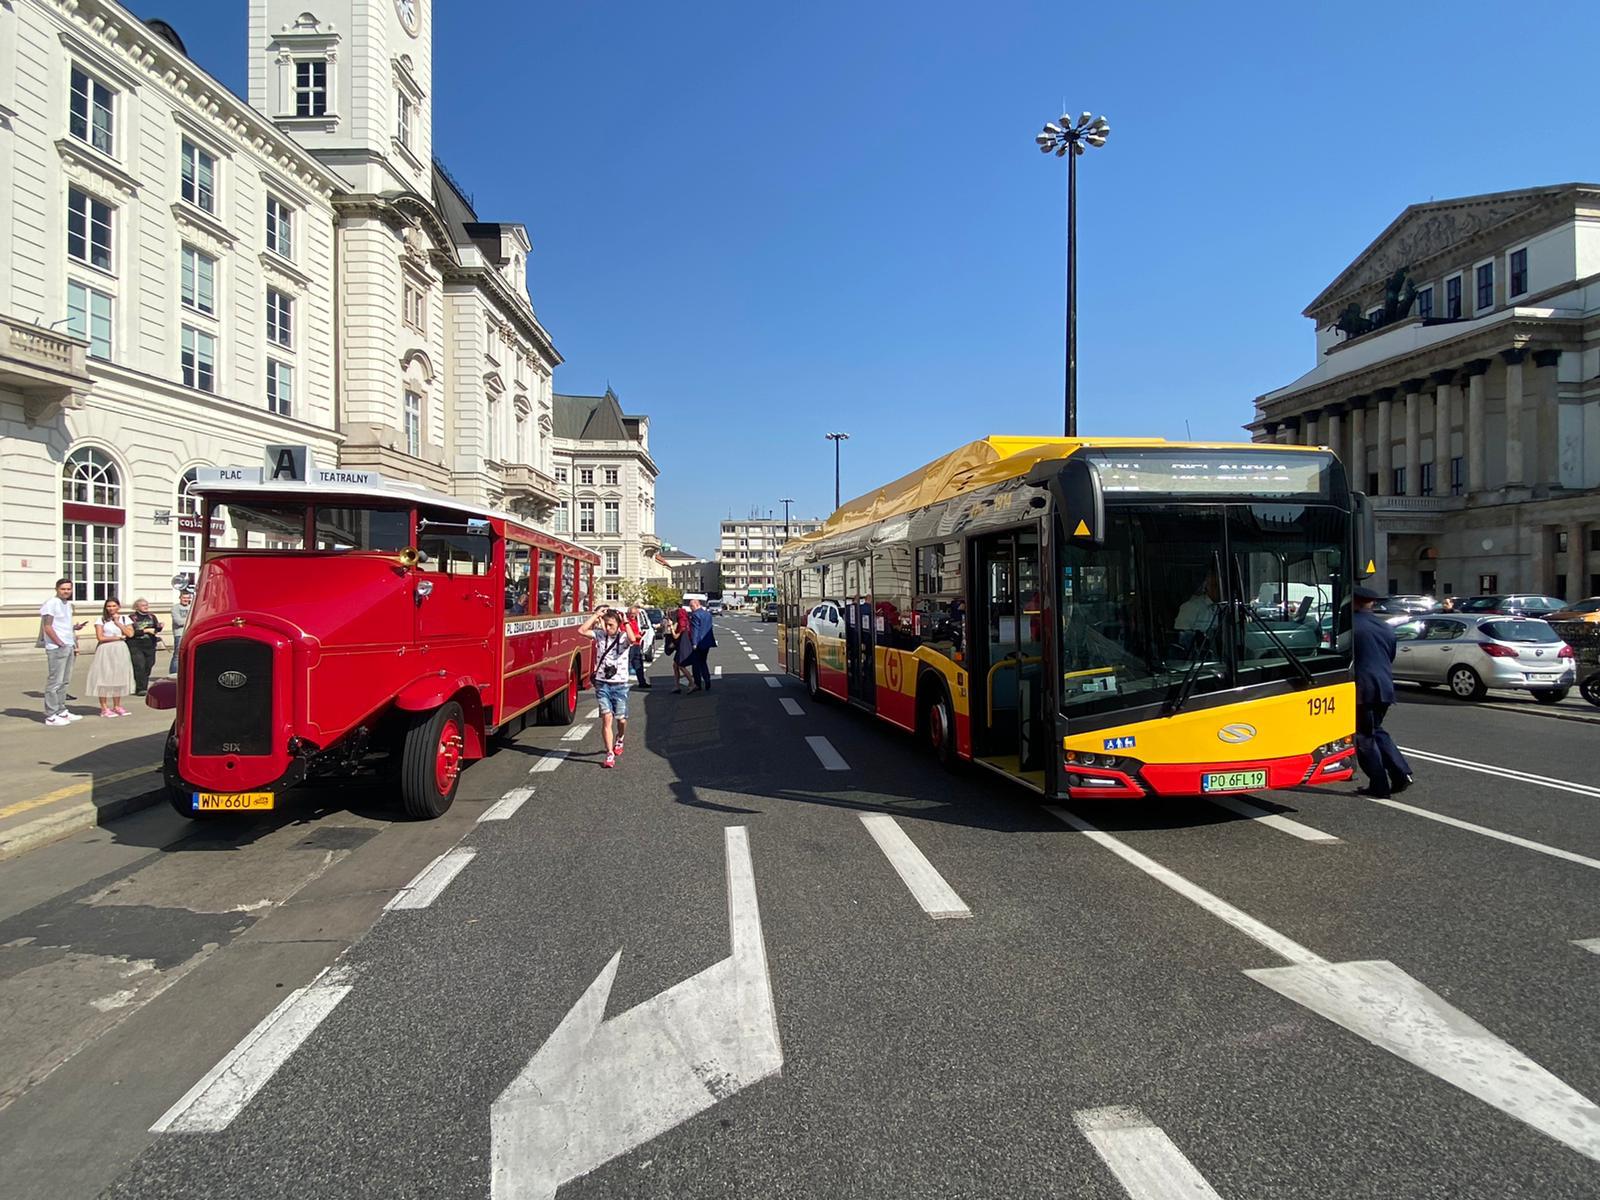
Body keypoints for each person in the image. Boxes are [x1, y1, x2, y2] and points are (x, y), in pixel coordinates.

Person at [1353, 585, 1413, 797]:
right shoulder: (1385, 627)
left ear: (1353, 602)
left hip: (1361, 688)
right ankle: (1400, 773)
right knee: (1375, 730)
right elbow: (1390, 655)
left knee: (1363, 736)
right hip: (1384, 686)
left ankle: (1379, 784)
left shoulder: (1350, 626)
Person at [579, 606, 637, 768]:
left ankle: (620, 737)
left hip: (620, 684)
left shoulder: (623, 637)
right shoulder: (600, 635)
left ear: (618, 625)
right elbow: (582, 630)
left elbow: (633, 639)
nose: (607, 627)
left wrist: (625, 621)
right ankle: (609, 753)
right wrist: (596, 615)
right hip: (602, 683)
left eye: (611, 625)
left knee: (621, 719)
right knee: (606, 718)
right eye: (605, 624)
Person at [39, 577, 86, 726]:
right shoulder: (51, 604)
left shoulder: (67, 604)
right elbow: (47, 626)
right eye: (63, 589)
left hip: (69, 644)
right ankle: (51, 715)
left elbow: (61, 624)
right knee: (55, 682)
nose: (66, 591)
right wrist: (59, 643)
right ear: (57, 589)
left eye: (68, 589)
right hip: (57, 647)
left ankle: (61, 710)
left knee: (65, 681)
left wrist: (74, 628)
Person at [86, 597, 135, 718]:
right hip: (106, 649)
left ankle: (117, 705)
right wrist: (117, 637)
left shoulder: (125, 619)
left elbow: (130, 634)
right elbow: (100, 637)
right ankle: (104, 707)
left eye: (114, 606)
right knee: (104, 676)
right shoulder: (101, 620)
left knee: (118, 677)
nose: (111, 608)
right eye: (109, 606)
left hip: (120, 649)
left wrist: (118, 623)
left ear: (118, 607)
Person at [127, 597, 163, 696]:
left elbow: (155, 629)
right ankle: (141, 688)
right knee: (140, 665)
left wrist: (159, 627)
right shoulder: (131, 617)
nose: (146, 607)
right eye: (143, 605)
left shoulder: (152, 616)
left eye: (146, 605)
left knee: (149, 664)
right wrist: (145, 631)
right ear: (137, 607)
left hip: (150, 644)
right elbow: (130, 632)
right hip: (136, 645)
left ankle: (143, 685)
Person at [687, 594, 717, 693]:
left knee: (696, 664)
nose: (691, 608)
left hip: (699, 643)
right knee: (703, 662)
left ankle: (698, 684)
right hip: (707, 642)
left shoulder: (695, 615)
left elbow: (695, 630)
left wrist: (694, 643)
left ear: (696, 605)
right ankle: (707, 680)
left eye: (691, 606)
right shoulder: (707, 614)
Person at [626, 604, 653, 689]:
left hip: (637, 645)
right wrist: (636, 636)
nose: (633, 615)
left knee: (639, 664)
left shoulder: (635, 621)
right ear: (628, 613)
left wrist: (640, 634)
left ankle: (642, 682)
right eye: (631, 613)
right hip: (629, 645)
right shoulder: (626, 622)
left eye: (635, 614)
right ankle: (620, 683)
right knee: (626, 664)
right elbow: (624, 633)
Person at [673, 601, 695, 693]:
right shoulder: (687, 622)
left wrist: (671, 629)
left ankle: (692, 683)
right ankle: (677, 686)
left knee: (681, 665)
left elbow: (675, 636)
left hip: (683, 646)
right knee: (675, 665)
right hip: (685, 645)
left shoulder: (682, 625)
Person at [169, 588, 193, 674]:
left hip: (190, 634)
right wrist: (190, 620)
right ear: (180, 598)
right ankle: (173, 673)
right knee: (177, 655)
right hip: (179, 634)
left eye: (187, 598)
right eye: (184, 598)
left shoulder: (192, 607)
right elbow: (178, 621)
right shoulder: (175, 608)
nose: (186, 600)